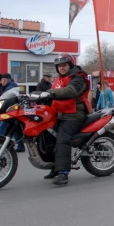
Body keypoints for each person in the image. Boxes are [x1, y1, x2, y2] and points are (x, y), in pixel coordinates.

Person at [38, 54, 90, 185]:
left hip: (74, 114)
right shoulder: (60, 79)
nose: (61, 68)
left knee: (62, 138)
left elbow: (71, 91)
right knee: (47, 135)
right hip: (60, 113)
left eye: (64, 65)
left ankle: (63, 173)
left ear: (70, 65)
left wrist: (50, 93)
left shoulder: (78, 77)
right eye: (59, 66)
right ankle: (54, 167)